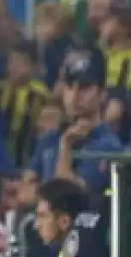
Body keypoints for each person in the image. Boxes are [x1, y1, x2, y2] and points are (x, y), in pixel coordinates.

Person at [29, 53, 123, 195]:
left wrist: (66, 144)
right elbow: (26, 187)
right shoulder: (50, 139)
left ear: (102, 94)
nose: (74, 95)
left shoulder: (108, 146)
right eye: (69, 86)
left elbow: (65, 198)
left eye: (84, 87)